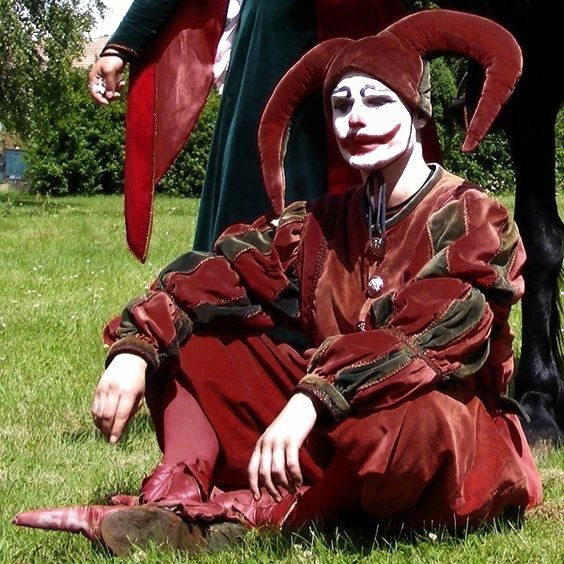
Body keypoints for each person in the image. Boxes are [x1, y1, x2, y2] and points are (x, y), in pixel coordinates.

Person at [15, 9, 542, 556]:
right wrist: (136, 346)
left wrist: (311, 398)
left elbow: (429, 334)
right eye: (341, 105)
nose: (354, 120)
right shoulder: (317, 222)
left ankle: (260, 513)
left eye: (377, 100)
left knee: (411, 416)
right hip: (330, 423)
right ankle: (176, 494)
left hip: (438, 437)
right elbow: (217, 273)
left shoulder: (474, 216)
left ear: (417, 112)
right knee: (195, 340)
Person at [87, 0, 438, 261]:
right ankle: (246, 302)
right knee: (262, 180)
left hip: (367, 30)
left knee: (383, 182)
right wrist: (122, 44)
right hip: (273, 47)